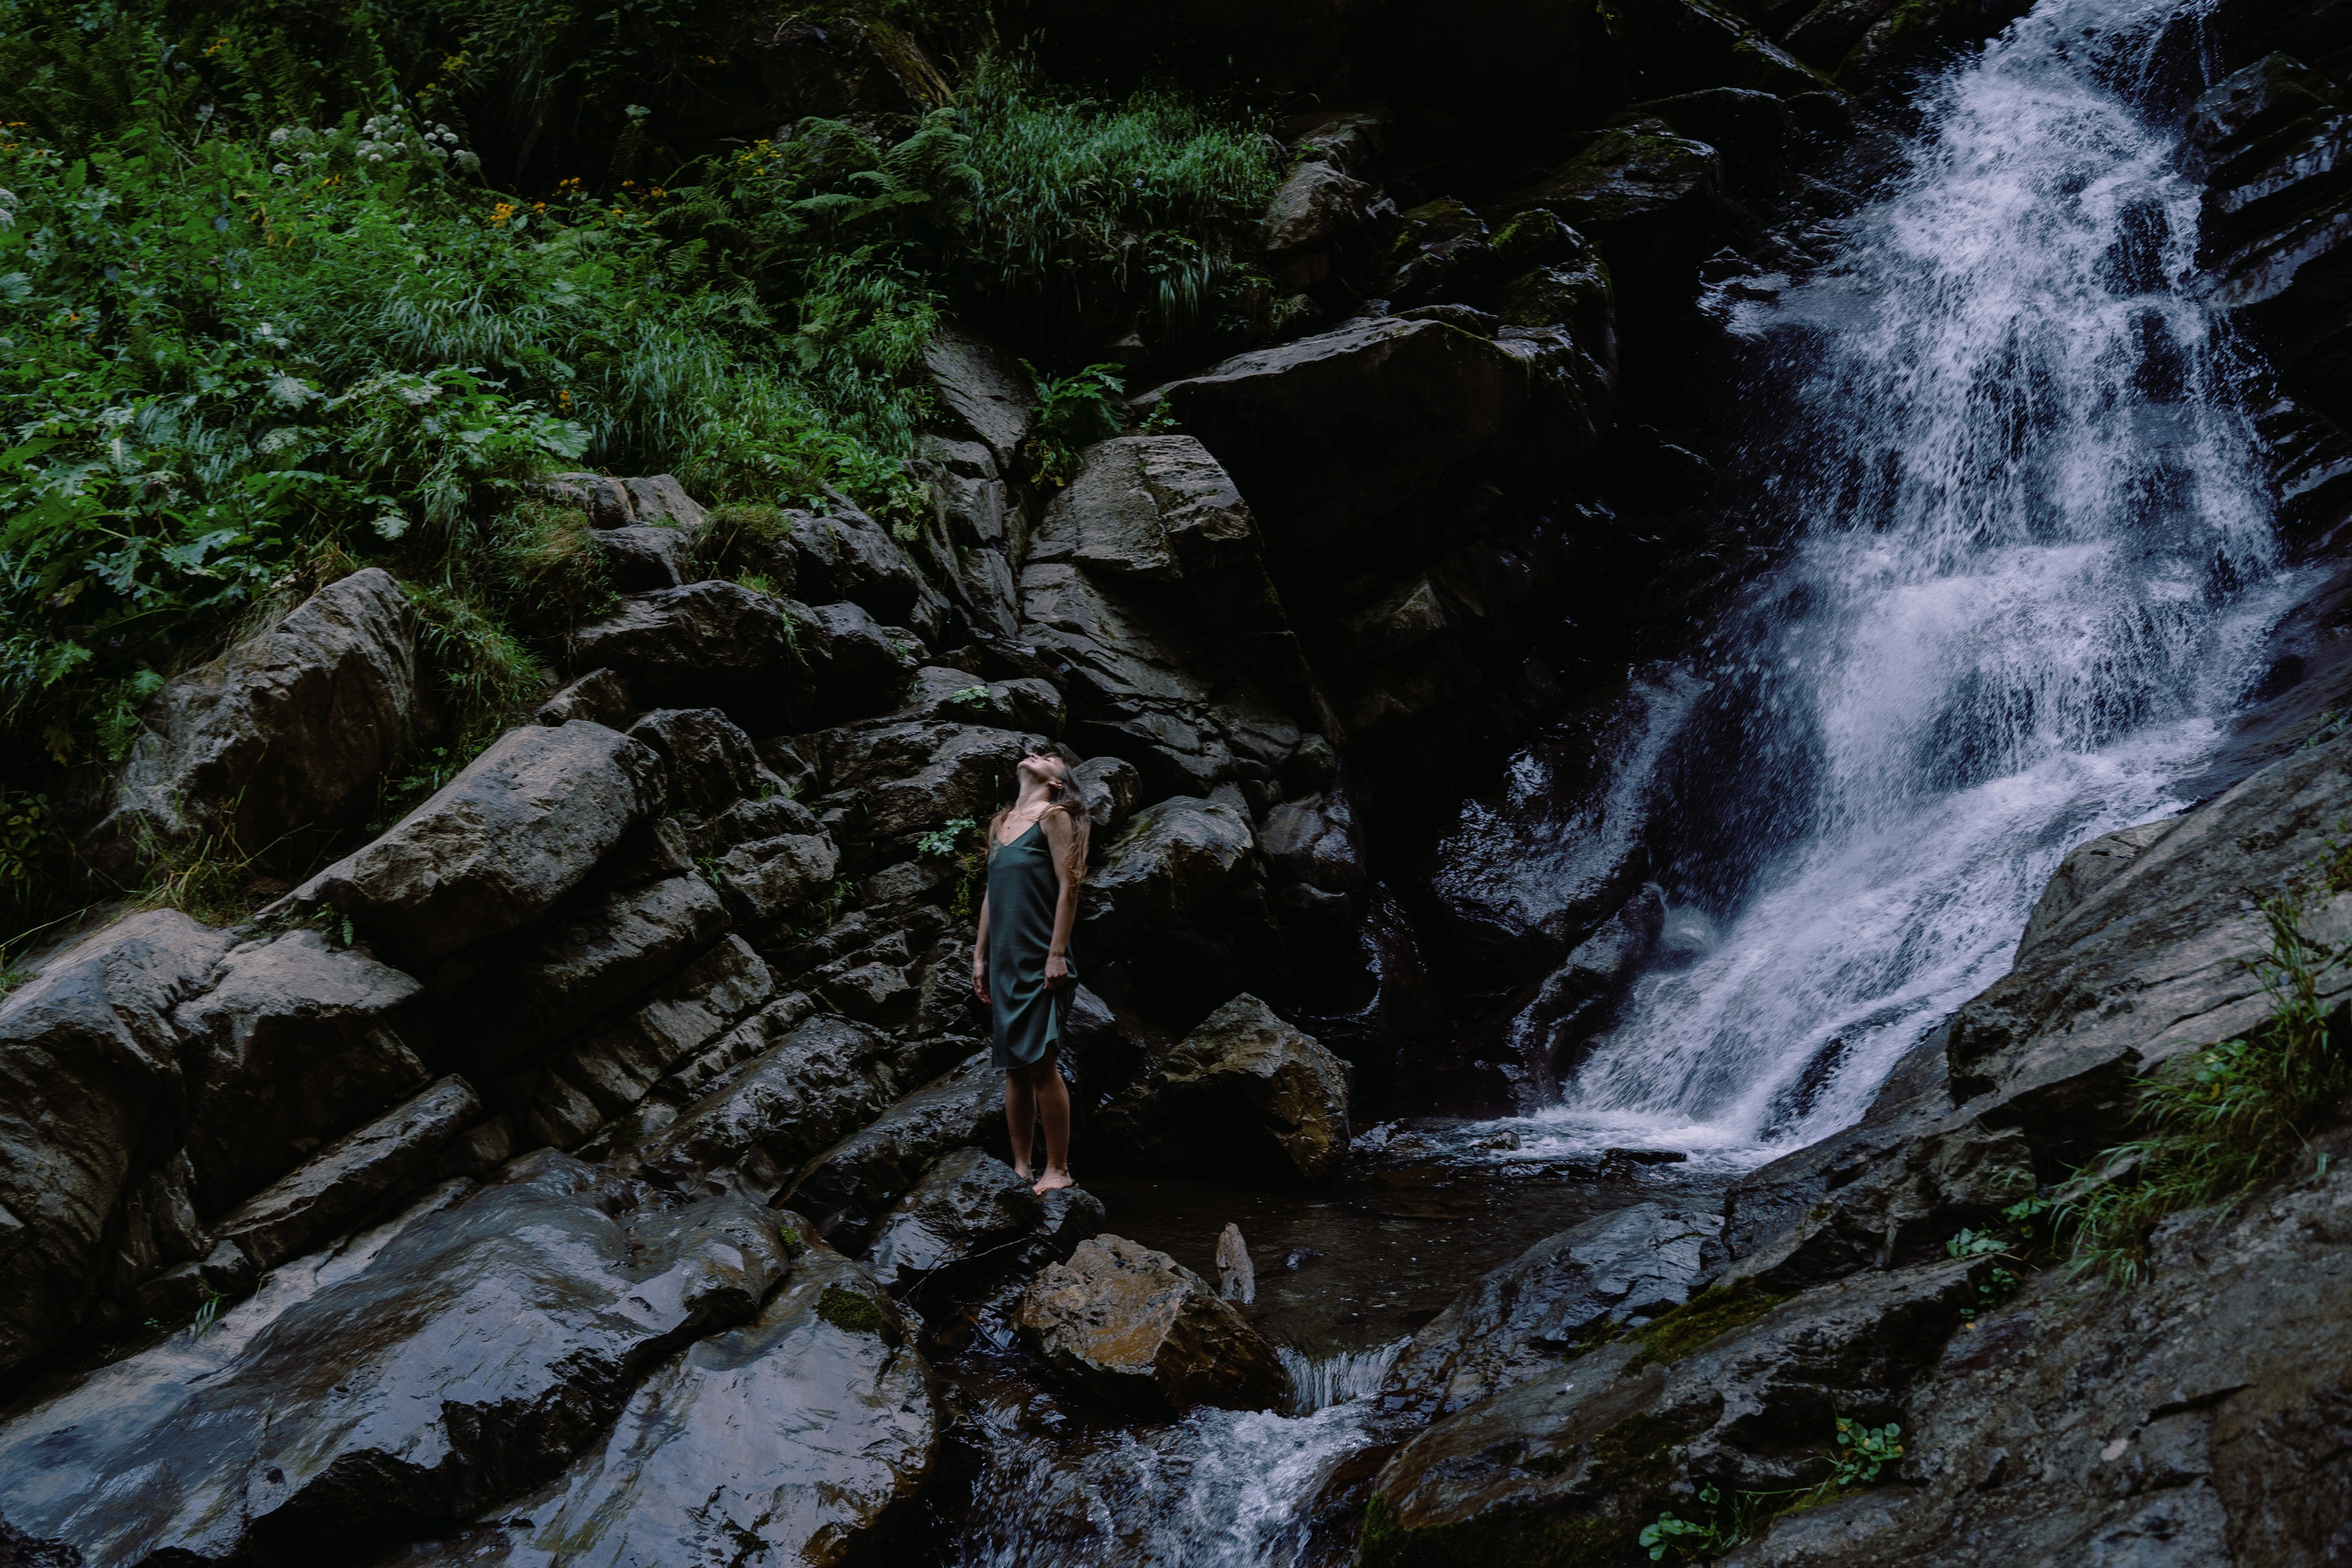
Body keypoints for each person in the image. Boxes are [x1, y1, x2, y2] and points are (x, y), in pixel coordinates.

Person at [972, 751, 1090, 1195]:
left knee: (1041, 1063)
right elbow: (991, 894)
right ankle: (1021, 1166)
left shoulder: (1054, 816)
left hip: (1041, 957)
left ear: (1058, 782)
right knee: (1013, 1068)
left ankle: (1057, 1169)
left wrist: (1056, 953)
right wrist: (979, 958)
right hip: (1004, 959)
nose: (1040, 755)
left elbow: (1069, 886)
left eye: (1052, 758)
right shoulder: (1001, 823)